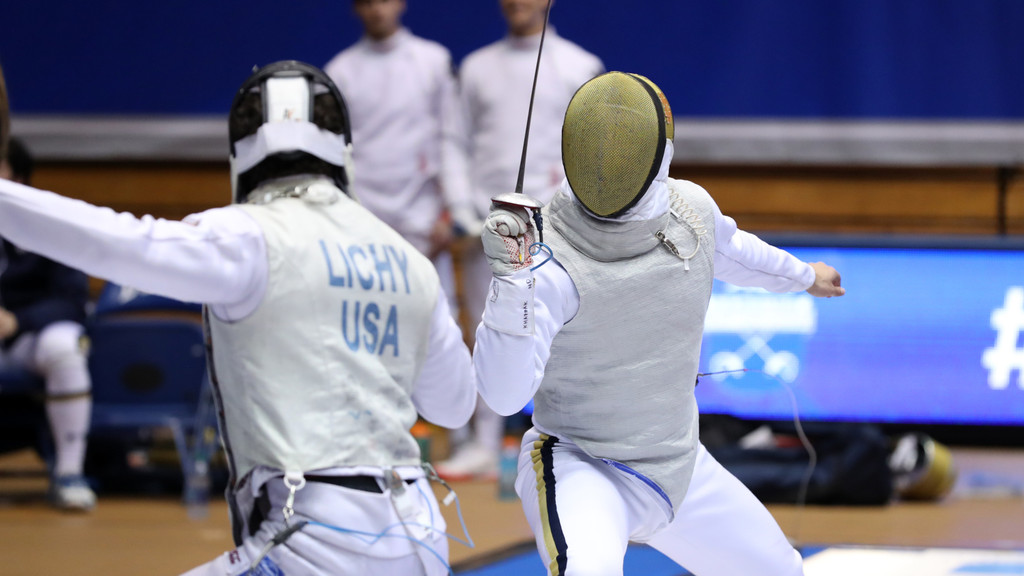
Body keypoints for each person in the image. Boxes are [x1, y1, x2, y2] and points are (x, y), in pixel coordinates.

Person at [0, 61, 476, 576]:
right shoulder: (409, 261)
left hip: (320, 542)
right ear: (341, 149)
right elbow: (454, 407)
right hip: (421, 539)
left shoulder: (247, 238)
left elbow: (120, 242)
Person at [474, 72, 846, 575]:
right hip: (584, 466)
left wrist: (806, 276)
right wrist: (512, 286)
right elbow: (502, 394)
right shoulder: (547, 263)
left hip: (678, 464)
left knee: (781, 570)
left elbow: (739, 252)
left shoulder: (690, 210)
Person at [436, 0, 604, 481]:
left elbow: (591, 148)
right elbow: (454, 141)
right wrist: (465, 209)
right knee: (490, 329)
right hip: (488, 227)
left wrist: (569, 214)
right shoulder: (476, 67)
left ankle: (566, 445)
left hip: (559, 228)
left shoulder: (579, 66)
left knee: (562, 332)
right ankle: (485, 445)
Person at [323, 0, 463, 312]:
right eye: (367, 3)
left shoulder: (433, 60)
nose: (376, 10)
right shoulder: (340, 71)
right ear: (356, 9)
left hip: (424, 217)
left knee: (435, 313)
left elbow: (450, 139)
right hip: (364, 216)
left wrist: (449, 212)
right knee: (369, 314)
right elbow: (334, 153)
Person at [0, 137, 95, 512]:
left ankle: (69, 473)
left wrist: (16, 321)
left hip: (27, 342)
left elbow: (73, 299)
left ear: (18, 176)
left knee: (65, 346)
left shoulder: (47, 223)